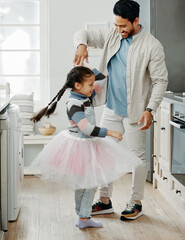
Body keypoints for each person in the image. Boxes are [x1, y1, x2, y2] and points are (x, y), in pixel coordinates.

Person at [73, 0, 168, 221]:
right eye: (116, 25)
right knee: (104, 153)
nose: (119, 30)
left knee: (137, 157)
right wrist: (82, 45)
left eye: (123, 26)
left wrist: (150, 109)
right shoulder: (112, 35)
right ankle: (105, 201)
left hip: (136, 111)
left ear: (136, 21)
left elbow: (161, 81)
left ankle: (136, 202)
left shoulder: (152, 46)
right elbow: (82, 32)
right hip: (112, 107)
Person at [30, 66, 141, 229]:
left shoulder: (84, 95)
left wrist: (88, 66)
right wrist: (110, 132)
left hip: (88, 145)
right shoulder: (74, 104)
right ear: (77, 85)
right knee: (86, 183)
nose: (93, 88)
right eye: (90, 85)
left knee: (88, 182)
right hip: (80, 146)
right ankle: (83, 215)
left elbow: (102, 79)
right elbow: (87, 129)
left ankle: (83, 215)